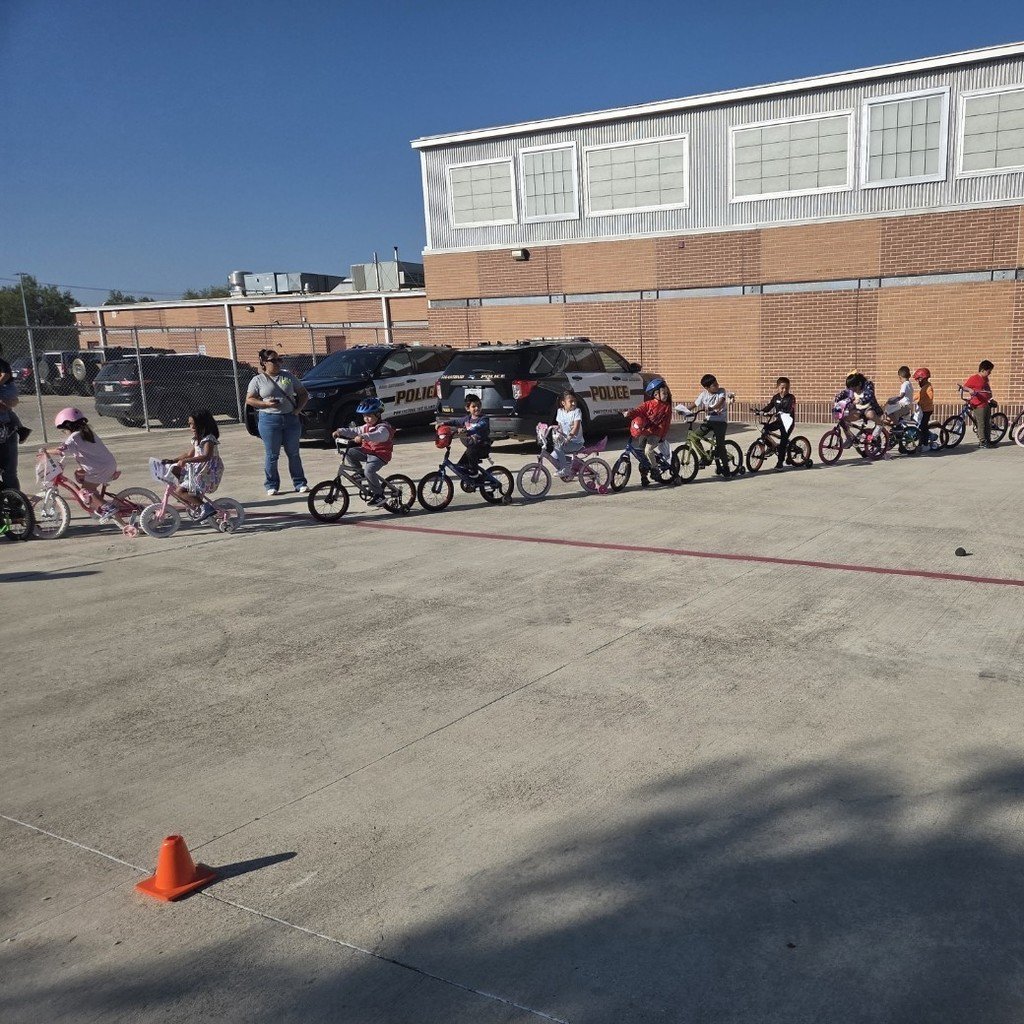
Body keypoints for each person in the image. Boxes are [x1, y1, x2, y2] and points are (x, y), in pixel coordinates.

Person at [246, 349, 309, 495]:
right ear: (264, 362)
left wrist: (297, 410)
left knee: (293, 453)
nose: (277, 363)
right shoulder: (258, 380)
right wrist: (266, 404)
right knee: (272, 454)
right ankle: (271, 485)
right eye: (273, 360)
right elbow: (250, 399)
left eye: (279, 360)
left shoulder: (288, 376)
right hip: (269, 420)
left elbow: (303, 393)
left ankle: (300, 483)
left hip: (290, 419)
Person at [42, 408, 119, 519]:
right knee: (79, 473)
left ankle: (109, 509)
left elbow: (61, 451)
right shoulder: (87, 433)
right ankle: (100, 506)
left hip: (99, 468)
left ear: (68, 426)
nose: (64, 432)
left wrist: (45, 451)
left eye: (63, 430)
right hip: (107, 464)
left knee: (85, 492)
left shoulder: (73, 437)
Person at [159, 410, 224, 521]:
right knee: (174, 470)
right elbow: (189, 454)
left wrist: (187, 461)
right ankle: (191, 498)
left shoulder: (208, 439)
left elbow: (207, 456)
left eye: (194, 424)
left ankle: (205, 507)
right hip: (197, 471)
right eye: (190, 424)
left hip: (207, 474)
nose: (191, 427)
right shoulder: (196, 440)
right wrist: (172, 460)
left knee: (179, 491)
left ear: (202, 424)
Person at [332, 397, 395, 507]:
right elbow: (354, 431)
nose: (366, 419)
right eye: (364, 416)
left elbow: (379, 436)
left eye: (369, 416)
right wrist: (340, 431)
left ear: (378, 414)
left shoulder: (384, 428)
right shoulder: (366, 427)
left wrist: (363, 436)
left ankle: (379, 495)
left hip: (380, 455)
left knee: (369, 471)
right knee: (350, 452)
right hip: (367, 452)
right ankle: (359, 472)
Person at [623, 377, 673, 486]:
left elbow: (667, 423)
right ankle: (644, 476)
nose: (666, 395)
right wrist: (629, 413)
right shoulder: (648, 404)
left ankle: (655, 470)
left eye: (666, 393)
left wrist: (663, 436)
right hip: (645, 432)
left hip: (656, 433)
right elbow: (638, 411)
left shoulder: (667, 407)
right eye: (663, 393)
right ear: (655, 395)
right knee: (641, 455)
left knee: (648, 451)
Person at [691, 373, 730, 474]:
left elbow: (721, 402)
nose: (717, 385)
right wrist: (684, 410)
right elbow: (695, 404)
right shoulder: (704, 394)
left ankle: (726, 467)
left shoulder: (721, 391)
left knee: (720, 445)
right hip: (709, 421)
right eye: (714, 385)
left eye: (716, 383)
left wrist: (712, 408)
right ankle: (704, 458)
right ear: (706, 388)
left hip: (720, 422)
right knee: (695, 437)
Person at [442, 397, 491, 476]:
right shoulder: (467, 419)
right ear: (467, 408)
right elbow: (456, 421)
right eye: (474, 406)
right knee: (461, 465)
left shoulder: (484, 419)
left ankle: (474, 472)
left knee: (470, 451)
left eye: (479, 405)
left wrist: (468, 430)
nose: (477, 408)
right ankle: (469, 481)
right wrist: (443, 424)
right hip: (472, 447)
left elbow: (479, 426)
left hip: (483, 447)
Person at [759, 376, 796, 470]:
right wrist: (761, 411)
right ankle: (771, 447)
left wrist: (782, 412)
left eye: (787, 388)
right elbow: (770, 406)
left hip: (788, 422)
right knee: (765, 430)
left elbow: (790, 409)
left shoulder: (791, 398)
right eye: (782, 388)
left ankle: (780, 462)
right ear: (777, 387)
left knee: (783, 441)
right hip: (779, 421)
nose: (784, 390)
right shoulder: (776, 397)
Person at [552, 391, 585, 479]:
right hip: (565, 442)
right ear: (563, 403)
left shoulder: (577, 411)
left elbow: (576, 427)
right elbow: (559, 427)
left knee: (558, 448)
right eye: (571, 401)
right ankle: (573, 463)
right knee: (553, 457)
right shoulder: (560, 411)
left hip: (576, 442)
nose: (574, 403)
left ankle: (565, 469)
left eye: (575, 401)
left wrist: (568, 438)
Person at [962, 360, 995, 447]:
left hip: (986, 403)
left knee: (988, 423)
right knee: (981, 424)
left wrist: (991, 399)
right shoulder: (974, 378)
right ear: (983, 370)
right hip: (978, 404)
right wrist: (970, 390)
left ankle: (988, 440)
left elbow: (987, 390)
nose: (990, 373)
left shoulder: (985, 379)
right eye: (989, 371)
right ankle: (982, 442)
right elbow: (965, 387)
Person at [0, 366, 20, 490]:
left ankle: (16, 506)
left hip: (7, 431)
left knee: (10, 474)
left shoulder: (6, 386)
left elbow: (11, 402)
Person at [912, 368, 934, 454]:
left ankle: (925, 445)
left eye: (919, 379)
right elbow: (918, 395)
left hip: (927, 410)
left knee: (923, 426)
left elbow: (930, 398)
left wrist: (920, 402)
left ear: (924, 378)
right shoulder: (924, 387)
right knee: (918, 424)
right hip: (922, 410)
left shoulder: (928, 387)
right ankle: (929, 436)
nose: (918, 382)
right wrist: (910, 399)